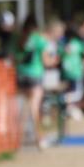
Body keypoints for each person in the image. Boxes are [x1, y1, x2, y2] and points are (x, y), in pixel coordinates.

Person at [13, 15, 53, 148]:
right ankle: (39, 138)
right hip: (35, 75)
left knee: (25, 107)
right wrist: (56, 60)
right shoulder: (39, 40)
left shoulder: (19, 38)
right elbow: (46, 61)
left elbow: (14, 58)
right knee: (34, 108)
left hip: (21, 75)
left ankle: (18, 139)